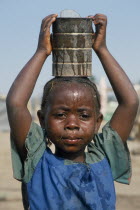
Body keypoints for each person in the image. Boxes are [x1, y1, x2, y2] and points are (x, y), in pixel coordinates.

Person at [6, 14, 139, 210]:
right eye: (60, 115)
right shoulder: (38, 161)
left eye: (84, 116)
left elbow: (130, 102)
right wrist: (41, 52)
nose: (72, 124)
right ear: (42, 119)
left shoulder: (103, 160)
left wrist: (101, 49)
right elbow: (15, 103)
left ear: (98, 122)